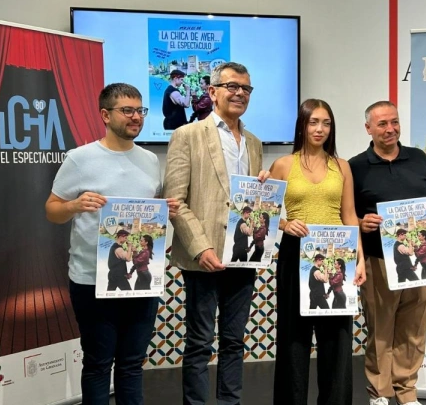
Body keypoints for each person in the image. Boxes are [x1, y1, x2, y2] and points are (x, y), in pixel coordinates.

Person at [44, 83, 179, 405]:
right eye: (127, 111)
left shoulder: (149, 160)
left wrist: (165, 210)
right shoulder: (80, 159)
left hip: (141, 280)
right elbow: (52, 210)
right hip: (92, 279)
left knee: (132, 364)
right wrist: (74, 205)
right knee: (98, 363)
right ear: (105, 115)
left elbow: (147, 213)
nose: (136, 117)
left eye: (140, 110)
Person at [163, 62, 268, 405]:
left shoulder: (254, 143)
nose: (240, 93)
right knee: (199, 343)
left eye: (246, 89)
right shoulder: (187, 135)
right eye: (232, 86)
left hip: (243, 256)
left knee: (234, 342)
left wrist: (263, 190)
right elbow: (175, 201)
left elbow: (249, 203)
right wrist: (200, 248)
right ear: (212, 91)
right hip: (202, 257)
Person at [349, 100, 426, 405]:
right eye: (382, 124)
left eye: (394, 122)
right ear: (368, 128)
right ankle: (379, 393)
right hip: (378, 260)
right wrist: (361, 222)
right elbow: (346, 214)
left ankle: (407, 390)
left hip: (423, 260)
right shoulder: (355, 167)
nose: (390, 129)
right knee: (380, 329)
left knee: (414, 329)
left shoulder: (418, 158)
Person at [269, 98, 366, 405]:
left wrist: (360, 259)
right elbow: (265, 212)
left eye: (326, 123)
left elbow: (349, 215)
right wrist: (286, 224)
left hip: (338, 253)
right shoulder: (283, 165)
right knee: (293, 338)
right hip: (295, 253)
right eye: (313, 122)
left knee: (337, 340)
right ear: (302, 125)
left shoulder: (342, 166)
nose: (320, 129)